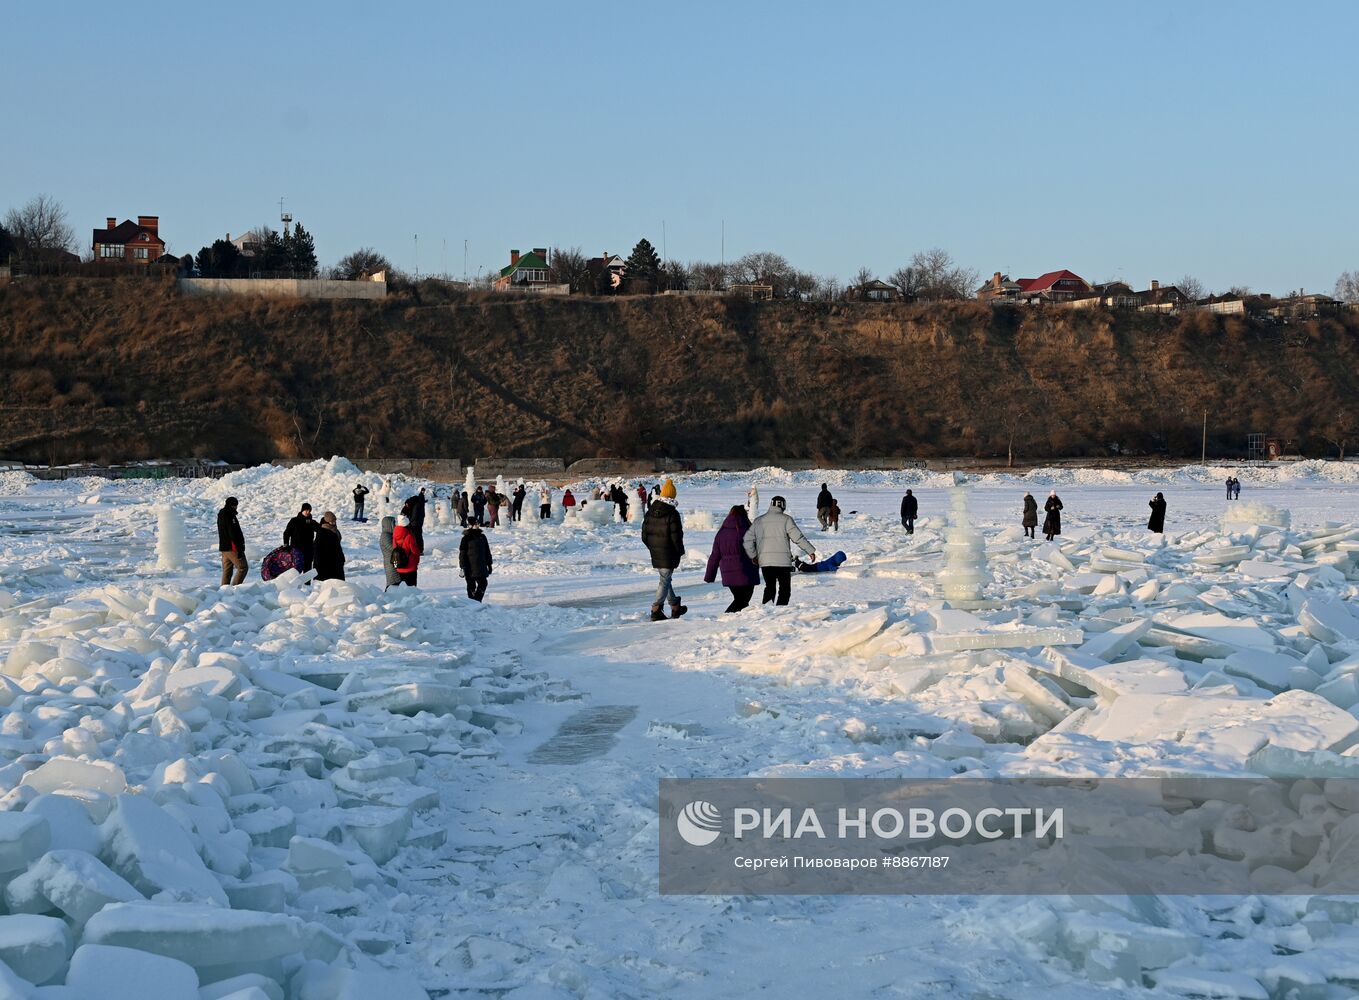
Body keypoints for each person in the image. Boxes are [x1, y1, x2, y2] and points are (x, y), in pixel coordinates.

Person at [744, 496, 815, 606]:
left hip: (765, 562)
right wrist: (810, 550)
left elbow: (747, 540)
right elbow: (798, 538)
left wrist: (753, 556)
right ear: (783, 506)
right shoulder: (787, 520)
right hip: (783, 562)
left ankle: (767, 610)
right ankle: (780, 610)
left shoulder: (758, 521)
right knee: (785, 589)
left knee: (769, 587)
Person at [641, 478, 687, 621]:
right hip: (669, 552)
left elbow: (644, 535)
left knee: (665, 579)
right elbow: (676, 537)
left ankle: (675, 605)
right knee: (664, 580)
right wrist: (680, 551)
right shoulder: (672, 514)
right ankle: (656, 610)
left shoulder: (650, 511)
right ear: (672, 496)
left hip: (655, 551)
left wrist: (653, 547)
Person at [705, 505, 759, 613]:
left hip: (728, 574)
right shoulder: (750, 531)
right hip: (748, 572)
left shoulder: (721, 533)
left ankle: (737, 621)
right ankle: (725, 618)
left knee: (741, 601)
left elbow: (714, 556)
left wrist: (709, 576)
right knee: (742, 601)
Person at [459, 522, 493, 602]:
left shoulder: (482, 537)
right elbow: (462, 553)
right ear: (470, 526)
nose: (478, 525)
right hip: (469, 566)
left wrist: (489, 564)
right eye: (476, 524)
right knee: (472, 586)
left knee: (482, 583)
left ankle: (476, 601)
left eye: (478, 524)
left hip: (480, 565)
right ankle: (473, 603)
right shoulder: (466, 538)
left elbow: (487, 551)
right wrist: (462, 566)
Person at [217, 496, 247, 586]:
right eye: (236, 505)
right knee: (243, 567)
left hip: (224, 547)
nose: (236, 507)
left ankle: (224, 590)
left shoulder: (222, 514)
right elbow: (233, 533)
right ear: (233, 505)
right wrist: (239, 549)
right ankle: (235, 588)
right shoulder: (229, 515)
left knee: (227, 570)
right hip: (232, 547)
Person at [391, 503, 421, 586]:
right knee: (412, 588)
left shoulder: (395, 534)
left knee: (403, 587)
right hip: (410, 566)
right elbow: (415, 551)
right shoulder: (409, 536)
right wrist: (416, 561)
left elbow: (394, 547)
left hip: (400, 565)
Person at [313, 511, 346, 581]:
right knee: (328, 583)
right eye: (332, 521)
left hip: (336, 561)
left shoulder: (335, 530)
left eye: (334, 521)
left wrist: (341, 558)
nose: (334, 523)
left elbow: (338, 545)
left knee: (338, 582)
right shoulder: (322, 532)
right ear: (327, 521)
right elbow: (317, 549)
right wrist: (318, 564)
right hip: (326, 562)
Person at [379, 515, 401, 590]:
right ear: (388, 525)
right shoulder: (385, 536)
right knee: (393, 582)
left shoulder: (389, 535)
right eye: (393, 523)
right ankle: (388, 595)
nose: (395, 525)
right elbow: (392, 547)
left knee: (396, 581)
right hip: (390, 563)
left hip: (393, 561)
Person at [407, 488, 427, 552]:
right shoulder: (421, 501)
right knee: (419, 536)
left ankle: (417, 550)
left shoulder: (416, 505)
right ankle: (420, 549)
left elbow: (414, 515)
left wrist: (410, 521)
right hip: (419, 522)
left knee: (415, 537)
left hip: (415, 523)